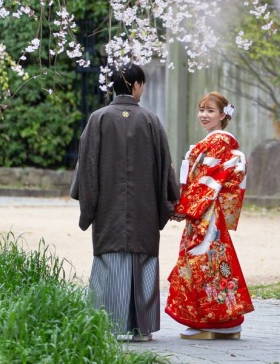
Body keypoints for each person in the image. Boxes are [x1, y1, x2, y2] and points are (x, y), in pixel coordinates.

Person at [70, 62, 180, 341]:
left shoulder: (98, 119)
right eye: (142, 83)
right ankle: (141, 329)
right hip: (144, 209)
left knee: (110, 263)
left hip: (109, 209)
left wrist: (88, 205)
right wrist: (169, 200)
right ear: (136, 85)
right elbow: (165, 166)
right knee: (143, 263)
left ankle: (107, 326)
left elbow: (87, 166)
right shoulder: (151, 121)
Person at [165, 91, 254, 340]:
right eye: (201, 110)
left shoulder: (219, 141)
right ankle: (216, 320)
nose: (204, 115)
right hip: (205, 211)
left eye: (210, 111)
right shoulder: (214, 141)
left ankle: (219, 321)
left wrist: (182, 207)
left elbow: (208, 181)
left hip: (207, 213)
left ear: (223, 115)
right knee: (209, 264)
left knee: (205, 263)